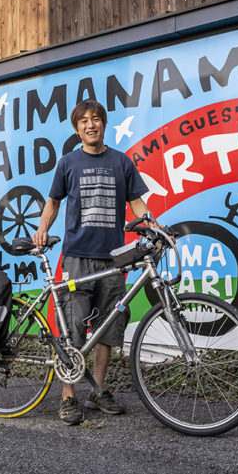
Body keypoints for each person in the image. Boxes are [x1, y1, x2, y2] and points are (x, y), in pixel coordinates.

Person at [32, 99, 153, 425]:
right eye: (84, 120)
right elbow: (53, 202)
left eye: (96, 119)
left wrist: (152, 225)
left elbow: (137, 201)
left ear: (103, 124)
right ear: (77, 128)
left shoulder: (121, 162)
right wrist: (43, 227)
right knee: (73, 328)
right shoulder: (68, 162)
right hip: (77, 257)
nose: (90, 124)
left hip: (113, 260)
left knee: (107, 329)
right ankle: (68, 396)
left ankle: (98, 390)